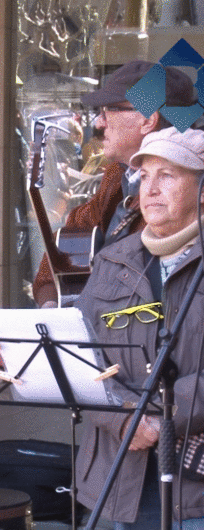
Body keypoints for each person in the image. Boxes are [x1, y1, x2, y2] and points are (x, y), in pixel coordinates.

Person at [75, 127, 204, 528]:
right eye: (145, 176)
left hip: (193, 488)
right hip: (116, 477)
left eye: (168, 175)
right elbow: (81, 353)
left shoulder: (165, 88)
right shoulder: (113, 259)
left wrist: (160, 419)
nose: (150, 189)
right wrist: (122, 419)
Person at [32, 60, 196, 307]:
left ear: (147, 120)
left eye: (109, 109)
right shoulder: (117, 177)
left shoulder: (186, 194)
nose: (99, 123)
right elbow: (70, 236)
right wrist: (51, 302)